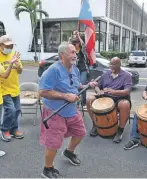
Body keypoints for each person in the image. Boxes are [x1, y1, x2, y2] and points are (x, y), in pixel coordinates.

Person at [39, 42, 97, 178]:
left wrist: (88, 85)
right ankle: (47, 169)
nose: (75, 55)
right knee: (53, 143)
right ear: (62, 55)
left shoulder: (75, 69)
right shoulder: (53, 70)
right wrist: (65, 96)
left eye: (75, 52)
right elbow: (43, 92)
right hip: (55, 111)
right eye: (72, 52)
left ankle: (69, 152)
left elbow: (75, 86)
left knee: (80, 132)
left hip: (71, 109)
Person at [86, 57, 132, 143]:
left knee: (125, 104)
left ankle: (120, 130)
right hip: (104, 97)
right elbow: (97, 86)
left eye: (114, 64)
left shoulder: (126, 76)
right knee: (89, 99)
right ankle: (95, 125)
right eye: (111, 64)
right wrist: (98, 91)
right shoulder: (106, 74)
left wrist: (113, 91)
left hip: (118, 98)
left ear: (120, 64)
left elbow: (127, 91)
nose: (112, 66)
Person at [0, 35, 24, 142]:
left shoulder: (14, 54)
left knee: (17, 110)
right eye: (8, 46)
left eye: (12, 45)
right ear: (0, 45)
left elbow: (20, 71)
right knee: (10, 110)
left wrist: (18, 65)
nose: (10, 47)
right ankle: (5, 129)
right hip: (2, 88)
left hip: (14, 88)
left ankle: (14, 129)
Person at [69, 30, 90, 106]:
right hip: (74, 70)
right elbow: (67, 45)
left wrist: (78, 36)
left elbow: (83, 44)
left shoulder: (82, 50)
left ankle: (83, 102)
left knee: (82, 85)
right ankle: (76, 102)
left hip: (83, 70)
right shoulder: (71, 51)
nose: (75, 44)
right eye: (74, 43)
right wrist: (72, 36)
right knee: (76, 85)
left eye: (76, 43)